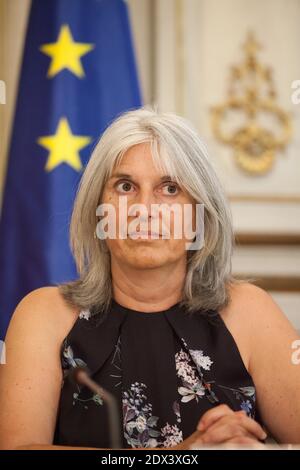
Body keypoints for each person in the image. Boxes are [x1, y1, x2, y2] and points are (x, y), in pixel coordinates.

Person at [0, 107, 299, 450]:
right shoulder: (43, 315)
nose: (144, 208)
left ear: (200, 215)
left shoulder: (249, 311)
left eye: (170, 188)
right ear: (97, 209)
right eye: (125, 186)